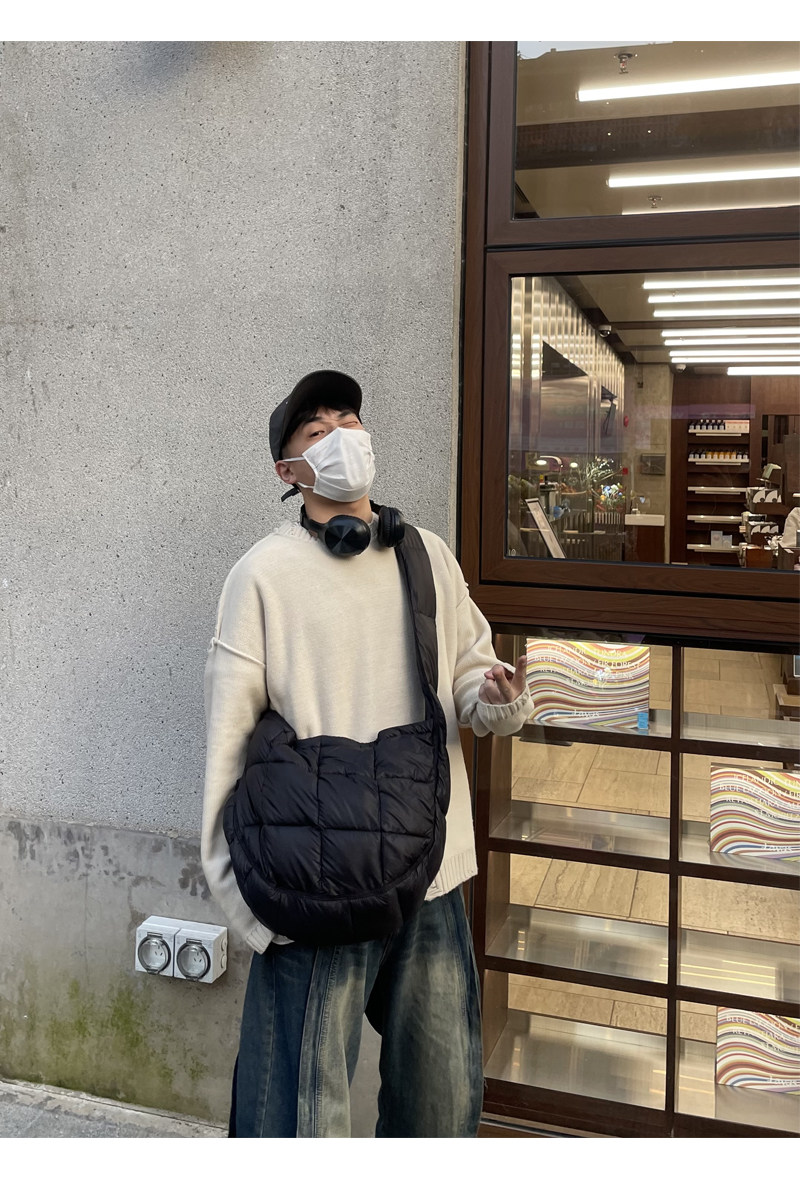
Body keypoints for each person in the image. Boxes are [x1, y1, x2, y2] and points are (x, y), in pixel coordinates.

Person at [201, 370, 532, 1138]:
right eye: (317, 431)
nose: (341, 436)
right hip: (315, 887)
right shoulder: (261, 575)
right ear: (290, 470)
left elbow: (469, 675)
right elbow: (227, 742)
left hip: (432, 870)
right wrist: (249, 910)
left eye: (348, 420)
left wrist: (496, 694)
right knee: (300, 1119)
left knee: (440, 1105)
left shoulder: (426, 555)